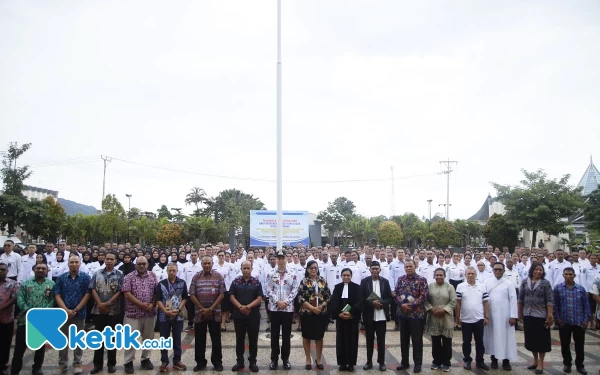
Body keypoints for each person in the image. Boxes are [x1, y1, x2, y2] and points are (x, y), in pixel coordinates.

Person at [10, 263, 55, 375]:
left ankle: (37, 368)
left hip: (42, 321)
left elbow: (53, 300)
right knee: (19, 348)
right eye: (38, 268)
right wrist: (29, 311)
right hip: (25, 320)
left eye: (43, 268)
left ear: (47, 271)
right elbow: (20, 299)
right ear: (34, 270)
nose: (40, 270)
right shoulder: (26, 284)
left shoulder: (52, 284)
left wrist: (42, 313)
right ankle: (15, 370)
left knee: (40, 348)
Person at [54, 254, 91, 375]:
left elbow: (87, 294)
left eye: (76, 262)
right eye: (72, 262)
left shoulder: (85, 278)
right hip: (63, 313)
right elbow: (57, 294)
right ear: (68, 264)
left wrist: (75, 310)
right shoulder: (62, 278)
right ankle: (62, 364)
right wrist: (65, 309)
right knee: (62, 340)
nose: (74, 264)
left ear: (80, 263)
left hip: (79, 314)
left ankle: (77, 363)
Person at [264, 249, 300, 370]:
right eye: (278, 258)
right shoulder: (270, 273)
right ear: (276, 259)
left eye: (282, 258)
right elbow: (268, 289)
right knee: (274, 335)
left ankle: (285, 359)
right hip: (274, 309)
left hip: (287, 309)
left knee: (286, 335)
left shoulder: (292, 273)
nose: (280, 260)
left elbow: (295, 289)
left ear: (286, 259)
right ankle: (274, 359)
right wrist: (277, 301)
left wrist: (286, 302)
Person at [121, 256, 158, 374]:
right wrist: (141, 305)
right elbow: (127, 293)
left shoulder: (153, 276)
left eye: (144, 263)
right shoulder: (129, 276)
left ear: (147, 264)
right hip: (133, 314)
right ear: (136, 264)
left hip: (149, 313)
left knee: (148, 338)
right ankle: (128, 362)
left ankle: (145, 359)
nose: (142, 266)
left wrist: (152, 304)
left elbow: (157, 292)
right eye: (139, 264)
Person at [89, 251, 123, 374]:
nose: (109, 261)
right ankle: (97, 364)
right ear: (104, 260)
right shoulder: (97, 273)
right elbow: (92, 288)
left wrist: (107, 304)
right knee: (98, 339)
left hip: (113, 311)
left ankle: (111, 364)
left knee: (111, 339)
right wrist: (100, 304)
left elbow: (120, 291)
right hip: (98, 311)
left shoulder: (119, 274)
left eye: (111, 259)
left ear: (115, 261)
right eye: (107, 258)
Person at [553, 267, 591, 375]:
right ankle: (567, 364)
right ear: (563, 275)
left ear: (574, 275)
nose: (568, 276)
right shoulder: (558, 288)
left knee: (579, 345)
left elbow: (586, 305)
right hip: (564, 322)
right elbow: (555, 305)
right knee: (565, 344)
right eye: (566, 274)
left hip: (578, 321)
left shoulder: (581, 289)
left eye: (570, 274)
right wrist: (557, 319)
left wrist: (586, 319)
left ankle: (580, 365)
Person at [189, 256, 225, 372]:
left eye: (209, 263)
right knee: (199, 339)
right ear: (201, 264)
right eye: (205, 263)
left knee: (216, 339)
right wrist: (202, 309)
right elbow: (192, 294)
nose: (207, 265)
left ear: (212, 263)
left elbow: (221, 294)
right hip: (200, 313)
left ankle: (217, 362)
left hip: (215, 313)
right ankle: (200, 362)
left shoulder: (218, 276)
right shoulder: (196, 277)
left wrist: (210, 309)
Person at [518, 262, 554, 374]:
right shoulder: (524, 282)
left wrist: (550, 315)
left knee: (541, 341)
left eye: (541, 270)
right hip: (528, 315)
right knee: (531, 340)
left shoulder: (545, 283)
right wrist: (519, 313)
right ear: (532, 270)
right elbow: (521, 298)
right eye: (536, 269)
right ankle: (535, 360)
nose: (538, 272)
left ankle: (541, 363)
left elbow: (549, 300)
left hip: (541, 315)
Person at [395, 259, 429, 373]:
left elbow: (424, 296)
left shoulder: (422, 280)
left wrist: (411, 305)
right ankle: (404, 362)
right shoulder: (400, 279)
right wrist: (402, 304)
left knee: (417, 341)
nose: (408, 268)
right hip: (403, 314)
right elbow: (396, 293)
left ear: (415, 266)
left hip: (416, 315)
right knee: (403, 340)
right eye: (406, 266)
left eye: (410, 266)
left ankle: (418, 364)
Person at [229, 260, 263, 373]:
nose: (246, 270)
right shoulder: (235, 282)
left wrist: (247, 307)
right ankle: (240, 361)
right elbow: (232, 297)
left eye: (248, 268)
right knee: (240, 339)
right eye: (244, 268)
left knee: (253, 339)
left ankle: (252, 361)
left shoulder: (257, 282)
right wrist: (240, 307)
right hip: (239, 315)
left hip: (253, 315)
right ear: (241, 269)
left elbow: (259, 299)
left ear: (252, 269)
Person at [483, 263, 518, 371]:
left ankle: (506, 361)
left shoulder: (508, 283)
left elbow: (513, 300)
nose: (498, 271)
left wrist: (513, 316)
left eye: (500, 269)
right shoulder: (486, 282)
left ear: (503, 271)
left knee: (506, 338)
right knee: (492, 337)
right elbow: (483, 299)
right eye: (496, 269)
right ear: (492, 270)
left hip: (505, 316)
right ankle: (494, 359)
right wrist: (485, 314)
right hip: (491, 316)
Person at [296, 260, 331, 370]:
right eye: (311, 268)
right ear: (307, 269)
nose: (313, 270)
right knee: (306, 336)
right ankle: (308, 359)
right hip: (307, 313)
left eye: (315, 268)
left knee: (319, 337)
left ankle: (319, 358)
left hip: (320, 313)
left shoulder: (322, 280)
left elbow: (328, 296)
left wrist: (322, 306)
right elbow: (300, 297)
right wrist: (312, 308)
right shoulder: (304, 281)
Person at [360, 261, 393, 371]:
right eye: (372, 268)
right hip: (369, 315)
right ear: (370, 270)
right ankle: (369, 361)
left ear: (380, 270)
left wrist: (382, 303)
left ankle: (381, 362)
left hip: (381, 315)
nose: (374, 270)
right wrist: (372, 303)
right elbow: (361, 298)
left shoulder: (385, 282)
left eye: (376, 269)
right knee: (369, 340)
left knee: (381, 340)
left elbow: (390, 298)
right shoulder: (364, 282)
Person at [155, 262, 188, 372]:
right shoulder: (161, 284)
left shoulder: (182, 283)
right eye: (170, 270)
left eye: (174, 270)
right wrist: (165, 311)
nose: (172, 272)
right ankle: (164, 361)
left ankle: (177, 360)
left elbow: (185, 298)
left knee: (177, 338)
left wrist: (179, 309)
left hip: (177, 315)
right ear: (167, 271)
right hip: (163, 315)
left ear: (177, 270)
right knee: (163, 338)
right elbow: (158, 300)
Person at [456, 267, 490, 371]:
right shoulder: (460, 286)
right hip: (466, 319)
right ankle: (467, 360)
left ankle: (480, 361)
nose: (470, 275)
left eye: (472, 273)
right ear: (465, 275)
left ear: (476, 275)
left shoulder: (482, 286)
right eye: (468, 273)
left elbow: (485, 302)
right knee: (466, 341)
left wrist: (486, 316)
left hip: (479, 318)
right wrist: (458, 317)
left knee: (480, 341)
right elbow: (458, 303)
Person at [424, 268, 456, 372]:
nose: (439, 277)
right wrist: (432, 309)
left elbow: (453, 301)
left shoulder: (450, 287)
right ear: (434, 276)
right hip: (433, 316)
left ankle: (446, 362)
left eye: (441, 275)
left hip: (446, 317)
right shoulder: (430, 286)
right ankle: (436, 361)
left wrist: (444, 310)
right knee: (435, 341)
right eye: (437, 275)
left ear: (444, 276)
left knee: (447, 341)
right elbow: (425, 300)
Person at [330, 268, 361, 372]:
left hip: (352, 319)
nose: (346, 277)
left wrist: (351, 313)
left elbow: (359, 302)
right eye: (344, 275)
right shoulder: (337, 287)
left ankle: (351, 363)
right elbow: (334, 302)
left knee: (352, 341)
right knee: (341, 341)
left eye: (348, 275)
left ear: (351, 276)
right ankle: (342, 363)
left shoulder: (356, 288)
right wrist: (338, 313)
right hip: (340, 318)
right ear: (341, 276)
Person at [0, 263, 17, 375]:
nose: (0, 271)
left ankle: (2, 366)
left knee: (5, 344)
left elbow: (15, 298)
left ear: (7, 271)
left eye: (3, 269)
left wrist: (2, 307)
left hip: (6, 318)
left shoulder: (12, 284)